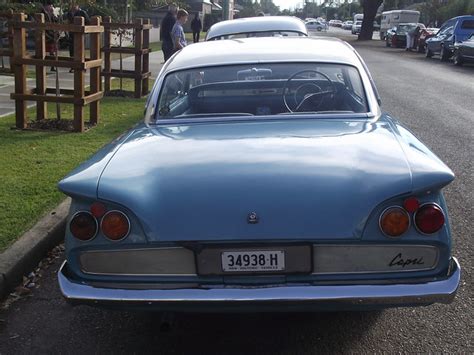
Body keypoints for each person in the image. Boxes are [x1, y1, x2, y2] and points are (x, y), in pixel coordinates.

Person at [67, 3, 89, 72]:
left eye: (74, 5)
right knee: (72, 50)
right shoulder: (69, 13)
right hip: (71, 34)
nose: (73, 6)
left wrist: (84, 30)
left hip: (80, 35)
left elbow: (88, 22)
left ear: (77, 5)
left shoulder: (82, 13)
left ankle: (83, 67)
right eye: (71, 5)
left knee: (81, 50)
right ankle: (72, 66)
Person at [42, 1, 58, 72]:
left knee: (53, 51)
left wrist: (54, 14)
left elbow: (56, 21)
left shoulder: (51, 14)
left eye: (52, 6)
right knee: (43, 50)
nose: (51, 7)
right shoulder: (42, 13)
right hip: (45, 34)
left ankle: (53, 65)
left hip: (52, 34)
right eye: (50, 6)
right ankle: (43, 65)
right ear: (46, 6)